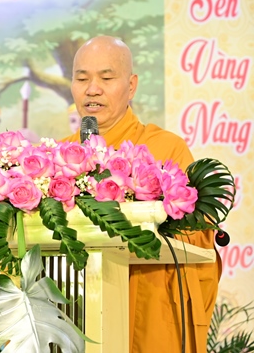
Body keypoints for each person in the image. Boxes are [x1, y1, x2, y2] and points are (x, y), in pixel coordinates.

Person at [63, 36, 219, 352]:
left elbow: (198, 236)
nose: (92, 89)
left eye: (106, 78)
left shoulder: (165, 148)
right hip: (74, 312)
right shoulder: (56, 156)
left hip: (148, 310)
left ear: (131, 86)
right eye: (82, 79)